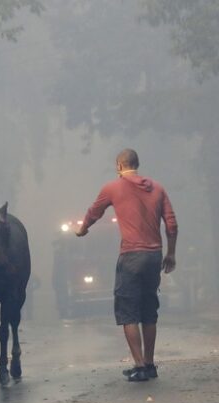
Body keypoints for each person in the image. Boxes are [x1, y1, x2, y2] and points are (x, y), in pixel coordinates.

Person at [76, 149, 177, 382]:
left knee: (128, 311)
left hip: (131, 256)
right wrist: (170, 253)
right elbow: (171, 224)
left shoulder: (113, 188)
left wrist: (83, 228)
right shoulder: (158, 188)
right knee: (149, 310)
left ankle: (139, 366)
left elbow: (94, 212)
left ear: (119, 165)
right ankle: (150, 365)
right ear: (137, 164)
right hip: (154, 256)